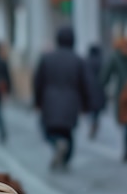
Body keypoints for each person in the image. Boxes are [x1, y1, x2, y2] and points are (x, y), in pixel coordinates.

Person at [34, 26, 90, 170]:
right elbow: (85, 84)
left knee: (48, 131)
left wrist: (37, 101)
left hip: (49, 100)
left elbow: (38, 81)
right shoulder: (78, 60)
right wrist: (86, 105)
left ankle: (57, 144)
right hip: (71, 101)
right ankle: (65, 159)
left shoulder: (46, 58)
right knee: (68, 132)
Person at [101, 35, 127, 162]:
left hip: (123, 93)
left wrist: (101, 86)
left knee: (126, 121)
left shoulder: (116, 55)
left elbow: (105, 75)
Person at [84, 44, 106, 139]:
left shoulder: (86, 61)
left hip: (89, 89)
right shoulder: (101, 61)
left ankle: (93, 124)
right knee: (96, 111)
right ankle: (95, 123)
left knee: (90, 110)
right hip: (99, 89)